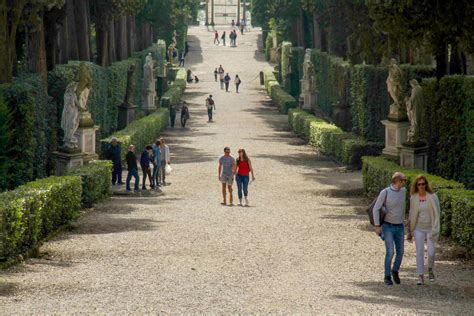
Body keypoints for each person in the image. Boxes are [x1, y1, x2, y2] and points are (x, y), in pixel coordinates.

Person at [373, 172, 407, 285]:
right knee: (390, 251)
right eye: (403, 180)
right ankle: (387, 276)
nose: (404, 182)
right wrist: (377, 226)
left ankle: (395, 270)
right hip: (388, 226)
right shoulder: (385, 192)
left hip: (400, 226)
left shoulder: (404, 191)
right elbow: (376, 208)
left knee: (401, 251)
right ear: (397, 181)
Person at [407, 175, 441, 285]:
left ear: (426, 184)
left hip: (431, 227)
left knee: (431, 252)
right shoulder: (413, 197)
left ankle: (430, 269)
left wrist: (436, 227)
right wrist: (409, 230)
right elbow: (411, 214)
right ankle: (420, 275)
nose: (421, 186)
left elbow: (437, 213)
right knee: (419, 252)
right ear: (416, 186)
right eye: (419, 184)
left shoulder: (433, 196)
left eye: (423, 184)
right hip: (418, 228)